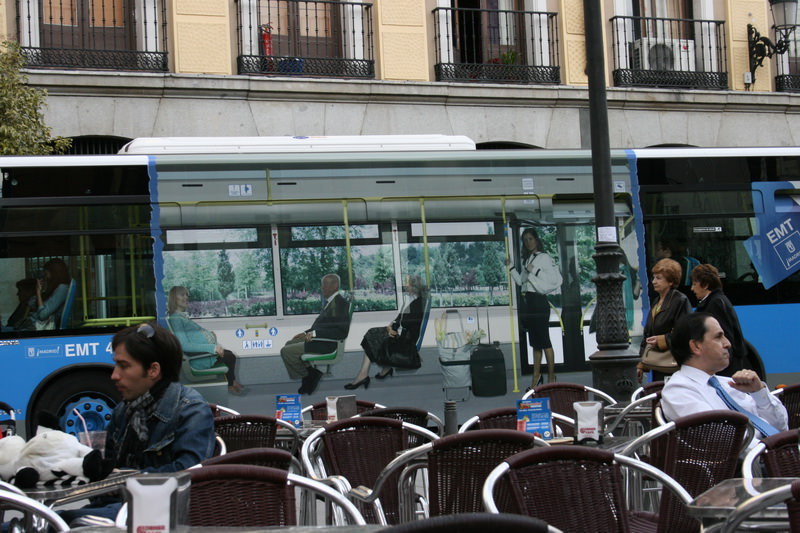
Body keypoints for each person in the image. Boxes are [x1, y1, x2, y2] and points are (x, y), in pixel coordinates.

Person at [59, 323, 216, 525]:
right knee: (38, 520)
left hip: (158, 513)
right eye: (115, 365)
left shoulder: (190, 410)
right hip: (116, 506)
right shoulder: (124, 410)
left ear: (153, 370)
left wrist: (127, 481)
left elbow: (191, 476)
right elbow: (107, 473)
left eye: (124, 366)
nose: (114, 375)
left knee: (59, 522)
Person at [661, 313, 787, 443]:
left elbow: (780, 426)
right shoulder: (679, 391)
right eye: (718, 337)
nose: (728, 344)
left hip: (772, 454)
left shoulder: (728, 384)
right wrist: (773, 451)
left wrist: (759, 392)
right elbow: (726, 441)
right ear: (696, 346)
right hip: (754, 459)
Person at [345, 275, 429, 390]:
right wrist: (390, 326)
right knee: (373, 333)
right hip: (403, 333)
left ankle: (363, 374)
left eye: (408, 285)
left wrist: (391, 329)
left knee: (371, 335)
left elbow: (405, 322)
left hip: (406, 339)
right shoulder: (415, 300)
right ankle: (385, 368)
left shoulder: (417, 304)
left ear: (414, 288)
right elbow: (401, 318)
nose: (406, 287)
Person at [507, 228, 562, 388]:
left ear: (537, 240)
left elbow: (553, 280)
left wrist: (535, 270)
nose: (528, 242)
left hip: (539, 302)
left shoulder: (544, 257)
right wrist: (510, 267)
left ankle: (551, 378)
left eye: (530, 238)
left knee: (544, 342)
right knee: (536, 343)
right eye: (525, 240)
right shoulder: (529, 259)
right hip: (529, 303)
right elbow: (521, 282)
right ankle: (536, 378)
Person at [280, 274, 350, 395]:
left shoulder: (339, 304)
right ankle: (311, 373)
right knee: (289, 343)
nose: (322, 287)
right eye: (323, 284)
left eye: (325, 284)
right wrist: (304, 333)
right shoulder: (332, 302)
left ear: (336, 285)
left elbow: (341, 332)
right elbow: (321, 326)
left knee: (286, 351)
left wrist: (315, 334)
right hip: (320, 339)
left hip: (327, 344)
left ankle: (308, 376)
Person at [167, 286, 244, 394]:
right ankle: (230, 384)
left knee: (229, 354)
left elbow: (195, 333)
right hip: (198, 358)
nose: (186, 298)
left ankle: (232, 382)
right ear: (174, 298)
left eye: (187, 295)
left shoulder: (180, 317)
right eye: (182, 295)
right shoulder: (176, 319)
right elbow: (184, 345)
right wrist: (213, 348)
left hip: (203, 355)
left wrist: (210, 336)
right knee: (229, 357)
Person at [637, 258, 692, 382]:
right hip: (658, 364)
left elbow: (685, 332)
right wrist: (642, 364)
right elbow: (648, 334)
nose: (654, 281)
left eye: (659, 278)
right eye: (654, 277)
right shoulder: (656, 302)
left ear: (671, 281)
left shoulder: (680, 300)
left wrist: (662, 340)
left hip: (674, 365)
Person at [690, 264, 747, 376]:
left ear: (705, 285)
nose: (692, 288)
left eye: (694, 284)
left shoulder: (715, 303)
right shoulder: (716, 301)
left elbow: (724, 336)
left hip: (724, 369)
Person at [21, 258, 71, 330]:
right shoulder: (55, 288)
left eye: (46, 274)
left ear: (54, 273)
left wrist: (38, 292)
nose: (46, 278)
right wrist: (41, 292)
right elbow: (31, 303)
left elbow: (42, 315)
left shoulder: (62, 288)